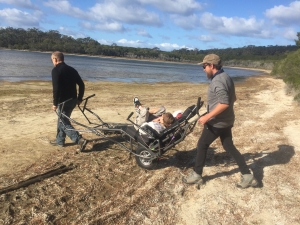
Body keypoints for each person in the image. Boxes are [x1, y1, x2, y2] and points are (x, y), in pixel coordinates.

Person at [182, 54, 258, 189]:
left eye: (204, 66)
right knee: (229, 146)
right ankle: (247, 176)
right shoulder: (227, 77)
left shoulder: (217, 81)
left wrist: (207, 116)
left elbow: (224, 104)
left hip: (217, 123)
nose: (203, 69)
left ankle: (196, 175)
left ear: (211, 66)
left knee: (202, 145)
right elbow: (233, 98)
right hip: (227, 120)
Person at [49, 51, 87, 151]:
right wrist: (79, 98)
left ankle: (79, 140)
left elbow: (56, 89)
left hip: (63, 102)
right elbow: (81, 85)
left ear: (55, 59)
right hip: (73, 100)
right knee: (62, 119)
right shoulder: (72, 70)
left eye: (52, 60)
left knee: (63, 122)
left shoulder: (56, 70)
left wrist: (54, 103)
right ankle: (59, 141)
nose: (52, 62)